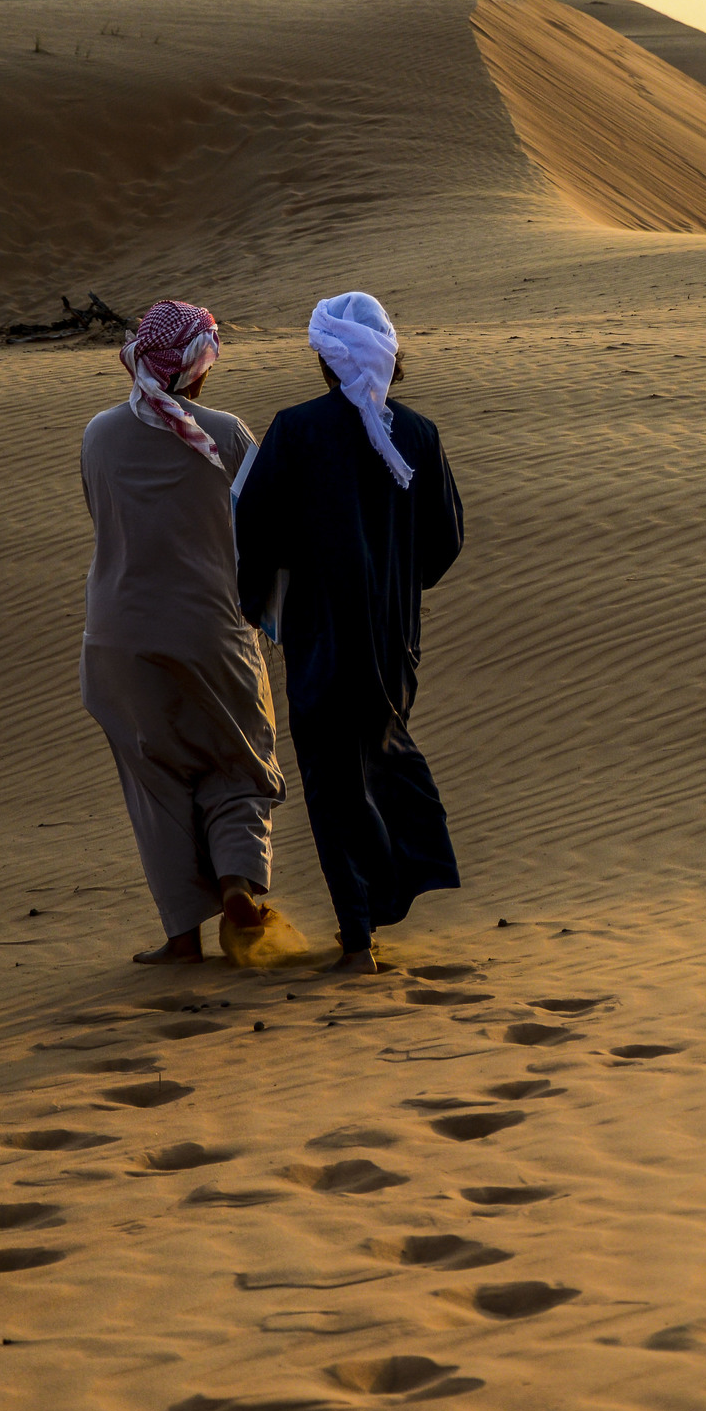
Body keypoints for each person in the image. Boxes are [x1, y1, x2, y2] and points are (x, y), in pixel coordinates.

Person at [234, 292, 464, 974]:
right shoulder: (415, 434)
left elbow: (253, 524)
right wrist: (395, 584)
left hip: (320, 634)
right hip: (393, 639)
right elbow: (446, 540)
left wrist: (260, 598)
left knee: (333, 779)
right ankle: (380, 904)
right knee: (378, 753)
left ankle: (358, 934)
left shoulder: (297, 430)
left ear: (328, 361)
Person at [79, 299, 285, 965]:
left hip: (116, 641)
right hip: (210, 630)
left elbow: (100, 517)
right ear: (197, 366)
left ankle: (180, 937)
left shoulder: (97, 435)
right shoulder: (226, 435)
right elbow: (262, 536)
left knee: (156, 780)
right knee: (239, 762)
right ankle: (237, 884)